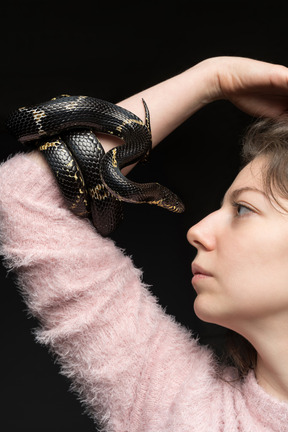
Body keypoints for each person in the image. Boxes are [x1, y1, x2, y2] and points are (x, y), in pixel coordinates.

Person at [1, 56, 288, 431]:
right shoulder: (176, 401)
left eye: (244, 209)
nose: (197, 230)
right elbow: (23, 200)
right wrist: (211, 80)